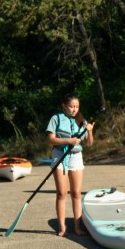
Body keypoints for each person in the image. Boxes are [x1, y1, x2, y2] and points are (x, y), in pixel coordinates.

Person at [46, 94, 95, 237]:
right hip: (59, 156)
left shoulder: (81, 121)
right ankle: (62, 227)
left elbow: (89, 143)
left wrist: (90, 131)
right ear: (64, 106)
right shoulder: (56, 118)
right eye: (71, 106)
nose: (74, 109)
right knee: (62, 193)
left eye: (77, 107)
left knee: (76, 193)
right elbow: (51, 139)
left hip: (76, 157)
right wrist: (68, 141)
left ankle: (78, 227)